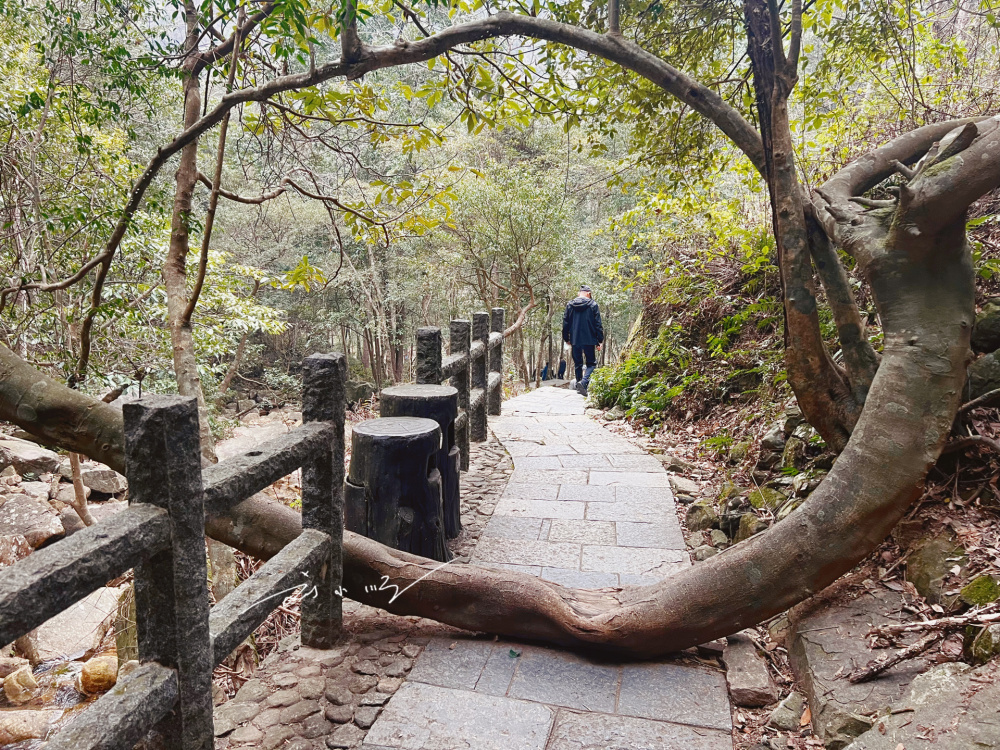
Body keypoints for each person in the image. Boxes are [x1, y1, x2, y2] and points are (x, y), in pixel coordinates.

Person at [562, 284, 604, 396]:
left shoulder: (570, 305)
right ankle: (583, 383)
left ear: (579, 293)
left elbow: (565, 323)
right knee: (591, 363)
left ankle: (579, 386)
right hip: (590, 339)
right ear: (588, 294)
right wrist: (600, 340)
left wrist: (567, 338)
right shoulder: (593, 305)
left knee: (578, 364)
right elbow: (598, 324)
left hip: (575, 339)